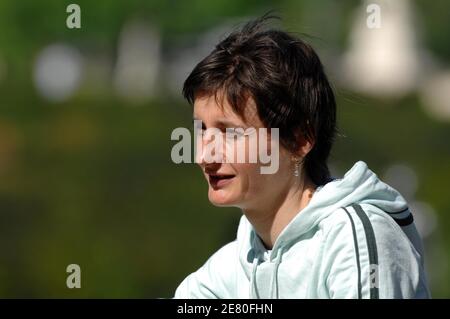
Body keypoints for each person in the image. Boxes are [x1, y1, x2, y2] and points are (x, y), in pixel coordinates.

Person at [174, 14, 430, 299]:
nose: (204, 155)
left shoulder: (355, 240)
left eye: (230, 133)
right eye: (201, 130)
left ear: (299, 139)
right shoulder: (228, 269)